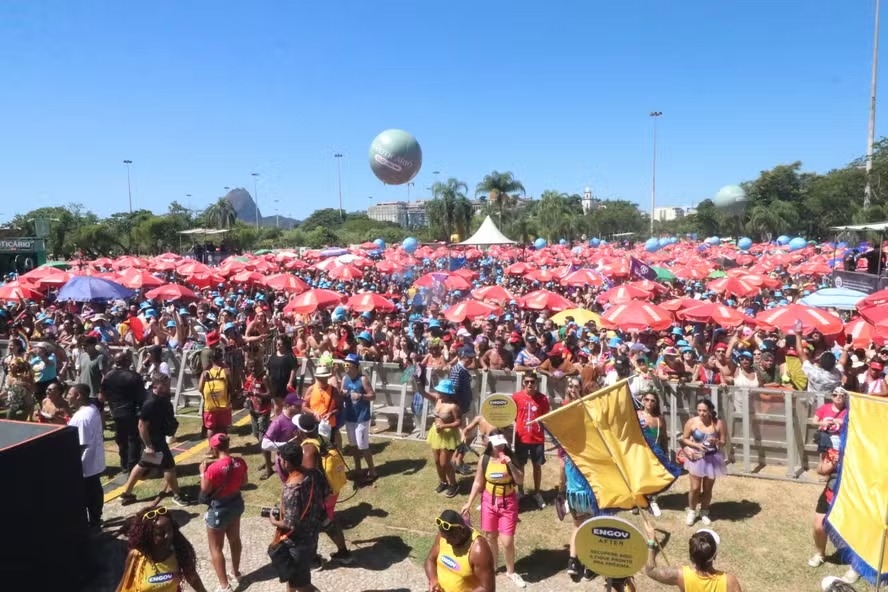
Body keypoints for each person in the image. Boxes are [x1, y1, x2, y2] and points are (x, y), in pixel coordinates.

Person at [461, 431, 526, 588]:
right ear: (491, 443)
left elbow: (520, 479)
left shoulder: (512, 458)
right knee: (490, 536)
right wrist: (469, 503)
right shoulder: (485, 459)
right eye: (496, 444)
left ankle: (511, 572)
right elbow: (478, 482)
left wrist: (510, 464)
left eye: (502, 444)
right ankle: (494, 566)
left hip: (507, 502)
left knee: (507, 541)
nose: (499, 447)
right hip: (489, 501)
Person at [268, 442, 330, 592]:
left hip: (296, 544)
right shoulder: (315, 474)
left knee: (302, 586)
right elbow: (326, 493)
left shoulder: (292, 489)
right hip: (312, 534)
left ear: (286, 462)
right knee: (293, 578)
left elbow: (290, 523)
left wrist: (273, 520)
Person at [119, 373, 189, 507]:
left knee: (142, 464)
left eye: (168, 384)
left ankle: (126, 494)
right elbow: (142, 425)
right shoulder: (151, 402)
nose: (168, 387)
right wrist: (149, 445)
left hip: (157, 437)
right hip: (155, 440)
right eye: (165, 385)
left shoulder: (159, 397)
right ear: (156, 385)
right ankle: (177, 495)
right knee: (169, 467)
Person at [292, 413, 353, 565]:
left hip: (319, 496)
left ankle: (313, 561)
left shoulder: (308, 449)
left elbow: (308, 478)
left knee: (311, 527)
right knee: (328, 522)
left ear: (301, 431)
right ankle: (343, 553)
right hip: (332, 490)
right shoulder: (322, 438)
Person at [115, 506, 207, 592]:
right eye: (161, 533)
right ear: (148, 536)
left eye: (169, 530)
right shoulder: (136, 556)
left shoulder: (178, 554)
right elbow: (124, 583)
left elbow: (193, 579)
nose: (168, 536)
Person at [199, 433, 248, 592]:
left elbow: (205, 491)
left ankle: (224, 586)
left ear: (214, 448)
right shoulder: (240, 462)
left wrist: (202, 472)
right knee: (234, 539)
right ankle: (236, 572)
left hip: (219, 508)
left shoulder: (213, 468)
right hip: (235, 503)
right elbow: (245, 482)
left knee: (216, 548)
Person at [642, 524, 742, 591]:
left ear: (691, 556)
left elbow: (650, 570)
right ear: (715, 556)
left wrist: (651, 541)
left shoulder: (681, 576)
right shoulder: (730, 581)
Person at [680, 398, 727, 526]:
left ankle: (704, 512)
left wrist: (717, 442)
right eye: (699, 410)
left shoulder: (718, 423)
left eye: (704, 411)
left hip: (712, 459)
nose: (701, 413)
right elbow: (684, 439)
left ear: (710, 410)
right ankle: (691, 511)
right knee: (694, 488)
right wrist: (696, 444)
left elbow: (724, 441)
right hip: (697, 458)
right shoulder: (692, 422)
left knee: (708, 488)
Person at [424, 509, 496, 592]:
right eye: (445, 537)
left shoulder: (478, 550)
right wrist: (433, 580)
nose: (447, 541)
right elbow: (430, 560)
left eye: (451, 537)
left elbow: (487, 588)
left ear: (462, 530)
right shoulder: (444, 536)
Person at [66, 382, 106, 528]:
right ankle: (96, 519)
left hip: (85, 465)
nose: (67, 397)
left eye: (70, 394)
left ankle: (94, 522)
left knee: (90, 494)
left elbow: (81, 444)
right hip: (93, 463)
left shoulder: (82, 417)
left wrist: (73, 465)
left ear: (78, 396)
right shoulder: (92, 408)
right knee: (95, 490)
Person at [101, 351, 146, 473]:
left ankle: (124, 464)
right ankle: (132, 465)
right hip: (131, 412)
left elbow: (104, 394)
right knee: (133, 439)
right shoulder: (133, 376)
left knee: (121, 439)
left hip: (116, 412)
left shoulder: (108, 376)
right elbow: (141, 396)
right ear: (127, 361)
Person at [512, 370, 550, 508]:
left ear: (536, 383)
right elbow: (511, 415)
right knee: (520, 465)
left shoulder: (543, 399)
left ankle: (537, 492)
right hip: (521, 437)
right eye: (527, 381)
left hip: (537, 438)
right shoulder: (516, 397)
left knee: (537, 466)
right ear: (523, 382)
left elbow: (546, 416)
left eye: (532, 382)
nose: (529, 384)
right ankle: (520, 491)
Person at [420, 378, 463, 498]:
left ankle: (453, 485)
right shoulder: (437, 399)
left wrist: (444, 426)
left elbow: (458, 422)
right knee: (437, 462)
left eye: (440, 391)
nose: (437, 392)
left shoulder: (454, 407)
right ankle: (443, 482)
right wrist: (417, 380)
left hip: (448, 435)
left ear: (447, 393)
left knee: (445, 463)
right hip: (436, 433)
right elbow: (422, 392)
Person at [341, 353, 377, 485]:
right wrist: (342, 394)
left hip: (361, 417)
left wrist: (361, 396)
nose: (345, 367)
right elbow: (341, 393)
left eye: (347, 365)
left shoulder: (363, 379)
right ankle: (358, 469)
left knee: (363, 445)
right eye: (344, 364)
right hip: (350, 416)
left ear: (355, 366)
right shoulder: (345, 379)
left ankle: (372, 470)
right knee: (353, 446)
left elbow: (373, 396)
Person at [638, 388, 669, 517]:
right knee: (639, 476)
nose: (649, 403)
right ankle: (638, 502)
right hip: (640, 450)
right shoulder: (636, 414)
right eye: (647, 399)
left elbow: (663, 436)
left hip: (655, 450)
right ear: (642, 400)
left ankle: (652, 500)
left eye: (652, 400)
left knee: (654, 477)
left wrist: (665, 452)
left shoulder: (659, 418)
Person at [262, 392, 302, 481]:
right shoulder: (278, 422)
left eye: (300, 405)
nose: (300, 408)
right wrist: (287, 445)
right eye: (296, 406)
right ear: (287, 405)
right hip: (286, 462)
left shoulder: (299, 417)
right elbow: (265, 444)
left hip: (299, 458)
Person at [244, 360, 274, 479]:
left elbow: (271, 394)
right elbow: (246, 389)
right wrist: (246, 395)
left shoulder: (264, 378)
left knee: (263, 439)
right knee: (257, 435)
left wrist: (257, 394)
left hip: (263, 412)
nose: (252, 369)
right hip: (253, 411)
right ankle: (267, 461)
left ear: (260, 365)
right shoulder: (250, 378)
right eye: (250, 367)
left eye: (255, 366)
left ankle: (269, 469)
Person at [198, 349, 233, 442]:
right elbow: (231, 386)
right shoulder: (226, 370)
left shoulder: (205, 373)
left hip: (209, 405)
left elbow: (200, 388)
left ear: (211, 360)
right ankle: (223, 445)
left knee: (211, 428)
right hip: (223, 404)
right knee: (223, 427)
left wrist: (205, 396)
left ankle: (212, 449)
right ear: (221, 358)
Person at [303, 365, 341, 448]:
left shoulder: (333, 390)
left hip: (329, 424)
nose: (323, 380)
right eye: (320, 378)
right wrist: (314, 413)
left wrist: (331, 413)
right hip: (314, 424)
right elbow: (304, 406)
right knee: (315, 448)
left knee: (329, 449)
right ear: (317, 377)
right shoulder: (311, 389)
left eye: (324, 378)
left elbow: (339, 408)